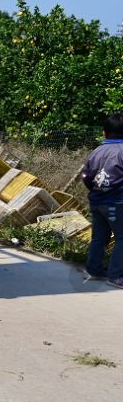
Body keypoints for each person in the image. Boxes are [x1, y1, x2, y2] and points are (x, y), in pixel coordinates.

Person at [81, 112, 123, 287]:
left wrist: (96, 190)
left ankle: (93, 269)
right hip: (117, 203)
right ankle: (115, 276)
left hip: (97, 202)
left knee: (99, 238)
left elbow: (85, 175)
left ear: (104, 132)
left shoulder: (96, 151)